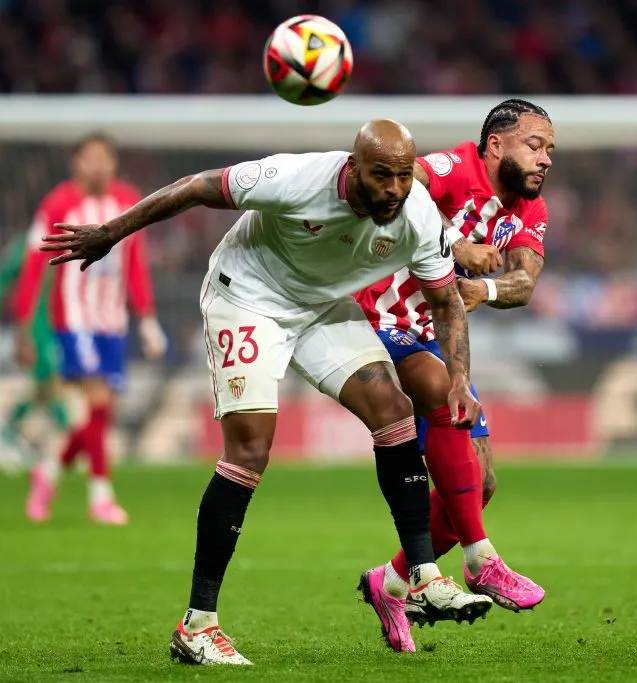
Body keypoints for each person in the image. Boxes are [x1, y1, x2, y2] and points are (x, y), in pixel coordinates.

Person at [40, 119, 493, 664]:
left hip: (322, 308)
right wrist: (112, 232)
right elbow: (197, 187)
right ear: (353, 168)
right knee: (251, 449)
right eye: (381, 176)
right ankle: (197, 625)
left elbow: (446, 304)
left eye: (402, 175)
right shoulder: (297, 177)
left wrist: (460, 378)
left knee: (393, 410)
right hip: (248, 298)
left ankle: (421, 577)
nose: (394, 189)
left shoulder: (416, 213)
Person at [355, 99, 553, 650]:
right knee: (445, 402)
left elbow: (524, 283)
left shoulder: (530, 211)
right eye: (534, 146)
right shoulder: (453, 168)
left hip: (431, 335)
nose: (545, 160)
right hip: (377, 317)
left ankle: (390, 582)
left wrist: (480, 289)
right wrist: (455, 243)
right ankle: (479, 560)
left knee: (480, 484)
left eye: (550, 151)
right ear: (496, 145)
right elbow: (403, 186)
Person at [15, 133, 167, 526]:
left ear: (114, 164)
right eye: (91, 158)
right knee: (95, 399)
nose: (98, 166)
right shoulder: (59, 204)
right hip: (73, 320)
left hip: (112, 323)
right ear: (76, 163)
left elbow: (135, 266)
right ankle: (101, 496)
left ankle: (48, 470)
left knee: (100, 415)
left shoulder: (128, 201)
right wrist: (24, 326)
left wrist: (147, 320)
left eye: (105, 159)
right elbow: (34, 264)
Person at [0, 230, 71, 463]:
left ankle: (8, 430)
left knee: (44, 387)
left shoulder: (64, 244)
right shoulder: (26, 247)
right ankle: (70, 435)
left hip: (56, 321)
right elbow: (3, 279)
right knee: (48, 376)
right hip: (36, 323)